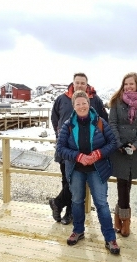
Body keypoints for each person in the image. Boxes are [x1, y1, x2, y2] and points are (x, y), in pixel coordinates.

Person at [56, 90, 120, 255]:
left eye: (84, 103)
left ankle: (110, 238)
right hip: (76, 170)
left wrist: (98, 154)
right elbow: (60, 149)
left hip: (97, 169)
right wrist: (78, 156)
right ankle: (78, 230)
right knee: (77, 201)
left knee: (101, 203)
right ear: (74, 106)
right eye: (78, 104)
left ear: (89, 104)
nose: (81, 106)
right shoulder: (68, 125)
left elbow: (112, 142)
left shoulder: (99, 122)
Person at [50, 73, 108, 225]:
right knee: (67, 181)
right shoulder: (62, 99)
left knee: (77, 184)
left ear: (87, 84)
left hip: (88, 153)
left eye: (83, 83)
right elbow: (54, 118)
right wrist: (59, 135)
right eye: (78, 82)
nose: (80, 85)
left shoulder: (95, 100)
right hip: (66, 151)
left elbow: (104, 119)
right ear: (73, 83)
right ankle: (67, 212)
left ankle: (60, 205)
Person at [108, 72, 137, 237]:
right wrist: (119, 143)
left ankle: (119, 219)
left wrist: (135, 145)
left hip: (134, 149)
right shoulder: (116, 101)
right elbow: (112, 123)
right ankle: (124, 222)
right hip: (119, 148)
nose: (128, 87)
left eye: (131, 84)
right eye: (126, 84)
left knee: (127, 184)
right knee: (122, 183)